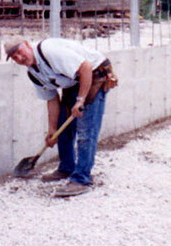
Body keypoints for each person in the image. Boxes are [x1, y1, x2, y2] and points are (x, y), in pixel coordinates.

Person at [6, 37, 114, 197]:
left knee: (86, 131)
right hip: (73, 81)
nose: (19, 58)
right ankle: (66, 168)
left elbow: (86, 67)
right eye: (14, 57)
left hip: (95, 74)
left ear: (28, 45)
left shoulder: (49, 51)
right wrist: (52, 130)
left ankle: (81, 179)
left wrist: (80, 100)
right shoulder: (34, 73)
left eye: (19, 52)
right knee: (62, 128)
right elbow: (52, 99)